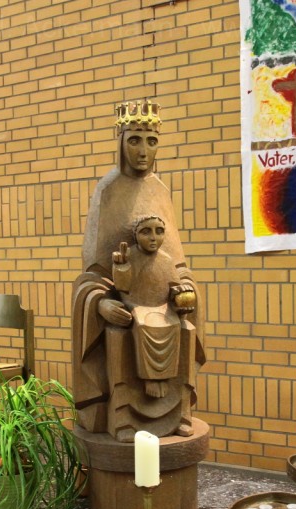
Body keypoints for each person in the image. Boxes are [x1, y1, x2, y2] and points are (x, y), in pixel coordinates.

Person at [72, 102, 205, 442]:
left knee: (186, 327)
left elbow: (178, 266)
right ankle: (122, 419)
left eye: (151, 141)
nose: (143, 151)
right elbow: (91, 275)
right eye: (134, 140)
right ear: (120, 142)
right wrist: (100, 303)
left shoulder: (160, 191)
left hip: (161, 307)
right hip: (126, 311)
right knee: (122, 332)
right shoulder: (108, 190)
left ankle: (179, 414)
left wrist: (185, 290)